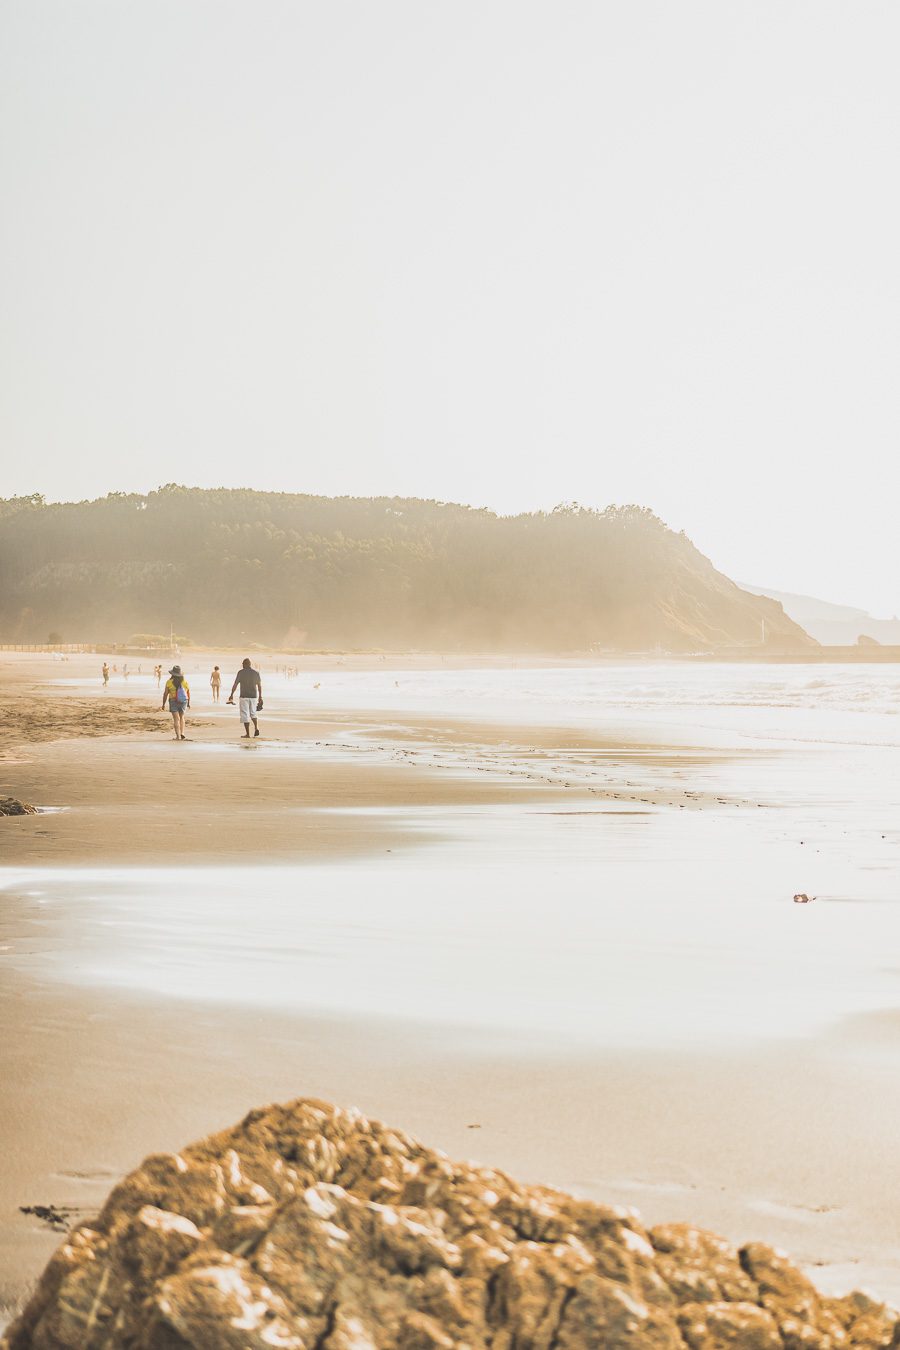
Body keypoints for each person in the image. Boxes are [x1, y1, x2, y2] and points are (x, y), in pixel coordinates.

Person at [227, 658, 263, 738]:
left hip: (244, 696)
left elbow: (235, 684)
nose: (242, 665)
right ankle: (256, 727)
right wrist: (260, 697)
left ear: (246, 664)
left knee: (245, 714)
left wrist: (231, 694)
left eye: (243, 664)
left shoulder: (241, 672)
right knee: (253, 713)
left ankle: (248, 734)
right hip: (253, 696)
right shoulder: (256, 673)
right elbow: (259, 686)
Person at [162, 665, 190, 741]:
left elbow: (165, 694)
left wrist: (163, 704)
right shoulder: (184, 682)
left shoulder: (169, 682)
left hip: (173, 701)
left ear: (172, 674)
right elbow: (187, 693)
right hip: (183, 701)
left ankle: (178, 736)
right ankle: (182, 733)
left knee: (176, 719)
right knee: (182, 717)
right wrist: (188, 703)